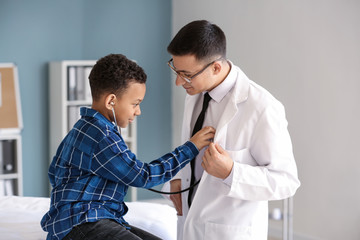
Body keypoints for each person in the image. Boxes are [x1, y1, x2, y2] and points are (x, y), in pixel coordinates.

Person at [40, 54, 215, 240]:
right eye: (135, 104)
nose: (138, 111)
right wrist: (191, 147)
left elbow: (54, 173)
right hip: (82, 224)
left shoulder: (83, 127)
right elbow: (143, 176)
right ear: (111, 101)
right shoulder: (102, 135)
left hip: (92, 221)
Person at [163, 20, 301, 240]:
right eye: (175, 70)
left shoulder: (262, 107)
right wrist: (180, 177)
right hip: (189, 227)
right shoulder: (196, 92)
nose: (179, 82)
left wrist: (231, 172)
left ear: (216, 67)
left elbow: (286, 181)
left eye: (186, 74)